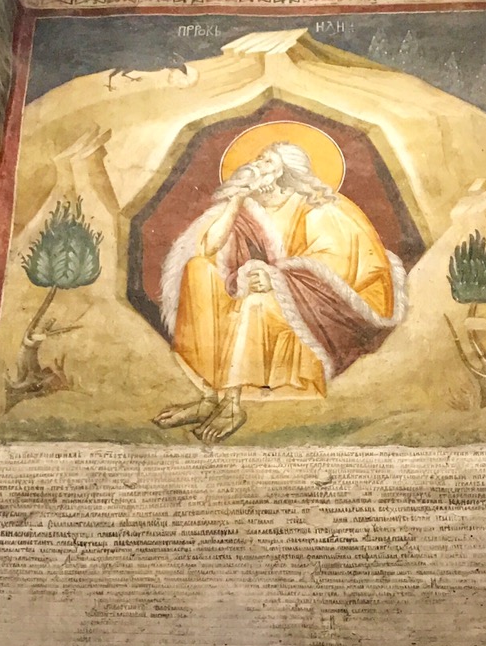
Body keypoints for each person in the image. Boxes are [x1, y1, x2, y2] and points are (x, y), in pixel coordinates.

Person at [154, 141, 407, 443]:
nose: (257, 165)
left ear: (284, 172)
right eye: (258, 157)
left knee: (254, 302)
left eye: (268, 162)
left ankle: (232, 407)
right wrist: (237, 199)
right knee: (198, 270)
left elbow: (336, 264)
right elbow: (209, 247)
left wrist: (277, 277)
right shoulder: (250, 207)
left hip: (311, 299)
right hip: (259, 282)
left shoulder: (315, 206)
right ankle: (210, 396)